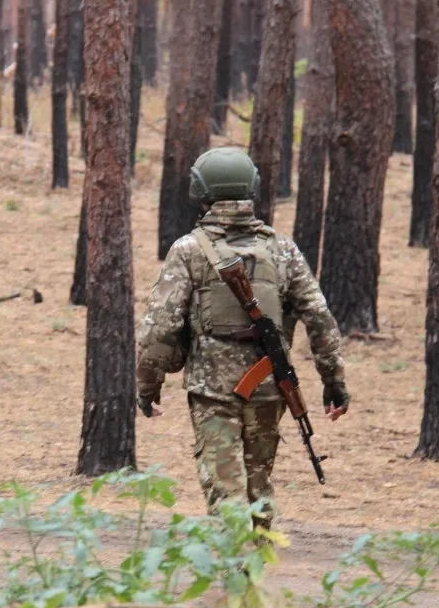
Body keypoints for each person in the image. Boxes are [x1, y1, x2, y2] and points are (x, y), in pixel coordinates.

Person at [136, 147, 350, 528]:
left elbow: (159, 328)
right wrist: (333, 382)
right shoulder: (282, 249)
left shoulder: (188, 251)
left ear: (201, 193)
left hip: (213, 391)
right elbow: (319, 317)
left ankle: (236, 577)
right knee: (258, 486)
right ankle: (255, 571)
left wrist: (148, 386)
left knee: (226, 493)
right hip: (268, 389)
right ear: (250, 189)